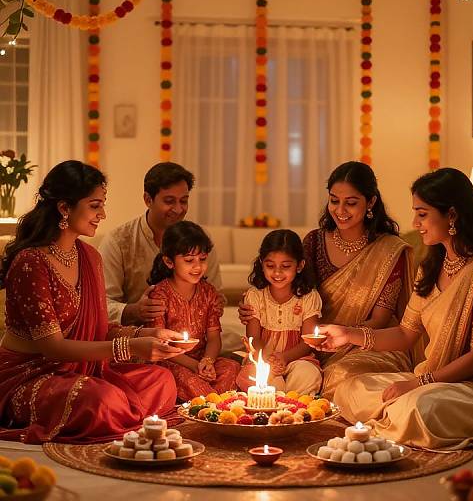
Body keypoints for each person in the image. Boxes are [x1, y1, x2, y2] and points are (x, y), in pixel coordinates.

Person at [318, 167, 473, 450]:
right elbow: (406, 334)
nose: (415, 223)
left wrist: (420, 382)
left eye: (422, 214)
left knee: (419, 409)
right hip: (430, 378)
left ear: (452, 215)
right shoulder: (432, 268)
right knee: (350, 389)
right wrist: (348, 334)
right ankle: (390, 421)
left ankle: (389, 420)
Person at [0, 161, 187, 444]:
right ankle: (119, 414)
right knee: (101, 400)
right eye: (95, 205)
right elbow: (53, 347)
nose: (103, 214)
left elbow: (99, 328)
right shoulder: (31, 263)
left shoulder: (89, 257)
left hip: (82, 370)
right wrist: (131, 347)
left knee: (160, 381)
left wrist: (145, 334)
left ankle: (119, 415)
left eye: (102, 205)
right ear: (64, 208)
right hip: (29, 375)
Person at [303, 161, 418, 398]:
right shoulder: (313, 242)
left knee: (340, 375)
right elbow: (298, 293)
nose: (340, 210)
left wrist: (343, 335)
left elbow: (380, 319)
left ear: (371, 202)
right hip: (315, 341)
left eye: (351, 203)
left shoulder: (389, 250)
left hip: (369, 344)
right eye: (334, 200)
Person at [99, 162, 222, 326]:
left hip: (194, 335)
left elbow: (216, 295)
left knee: (241, 346)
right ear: (148, 199)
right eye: (169, 201)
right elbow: (101, 304)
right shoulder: (119, 241)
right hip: (139, 336)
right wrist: (135, 310)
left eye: (183, 201)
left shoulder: (200, 239)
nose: (178, 209)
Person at [148, 221, 239, 401]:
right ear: (169, 261)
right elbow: (161, 345)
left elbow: (213, 338)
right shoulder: (160, 294)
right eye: (189, 260)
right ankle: (214, 403)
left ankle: (210, 402)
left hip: (201, 359)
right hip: (171, 361)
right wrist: (194, 366)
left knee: (232, 368)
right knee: (187, 380)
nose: (198, 266)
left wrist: (207, 362)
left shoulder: (209, 292)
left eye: (203, 259)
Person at [236, 230, 323, 395]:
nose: (277, 273)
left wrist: (284, 358)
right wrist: (268, 359)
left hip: (297, 358)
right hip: (264, 357)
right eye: (270, 266)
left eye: (285, 266)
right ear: (262, 263)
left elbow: (308, 341)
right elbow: (254, 339)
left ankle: (291, 404)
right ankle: (277, 401)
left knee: (307, 374)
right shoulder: (255, 295)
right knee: (255, 375)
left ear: (300, 266)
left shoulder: (309, 297)